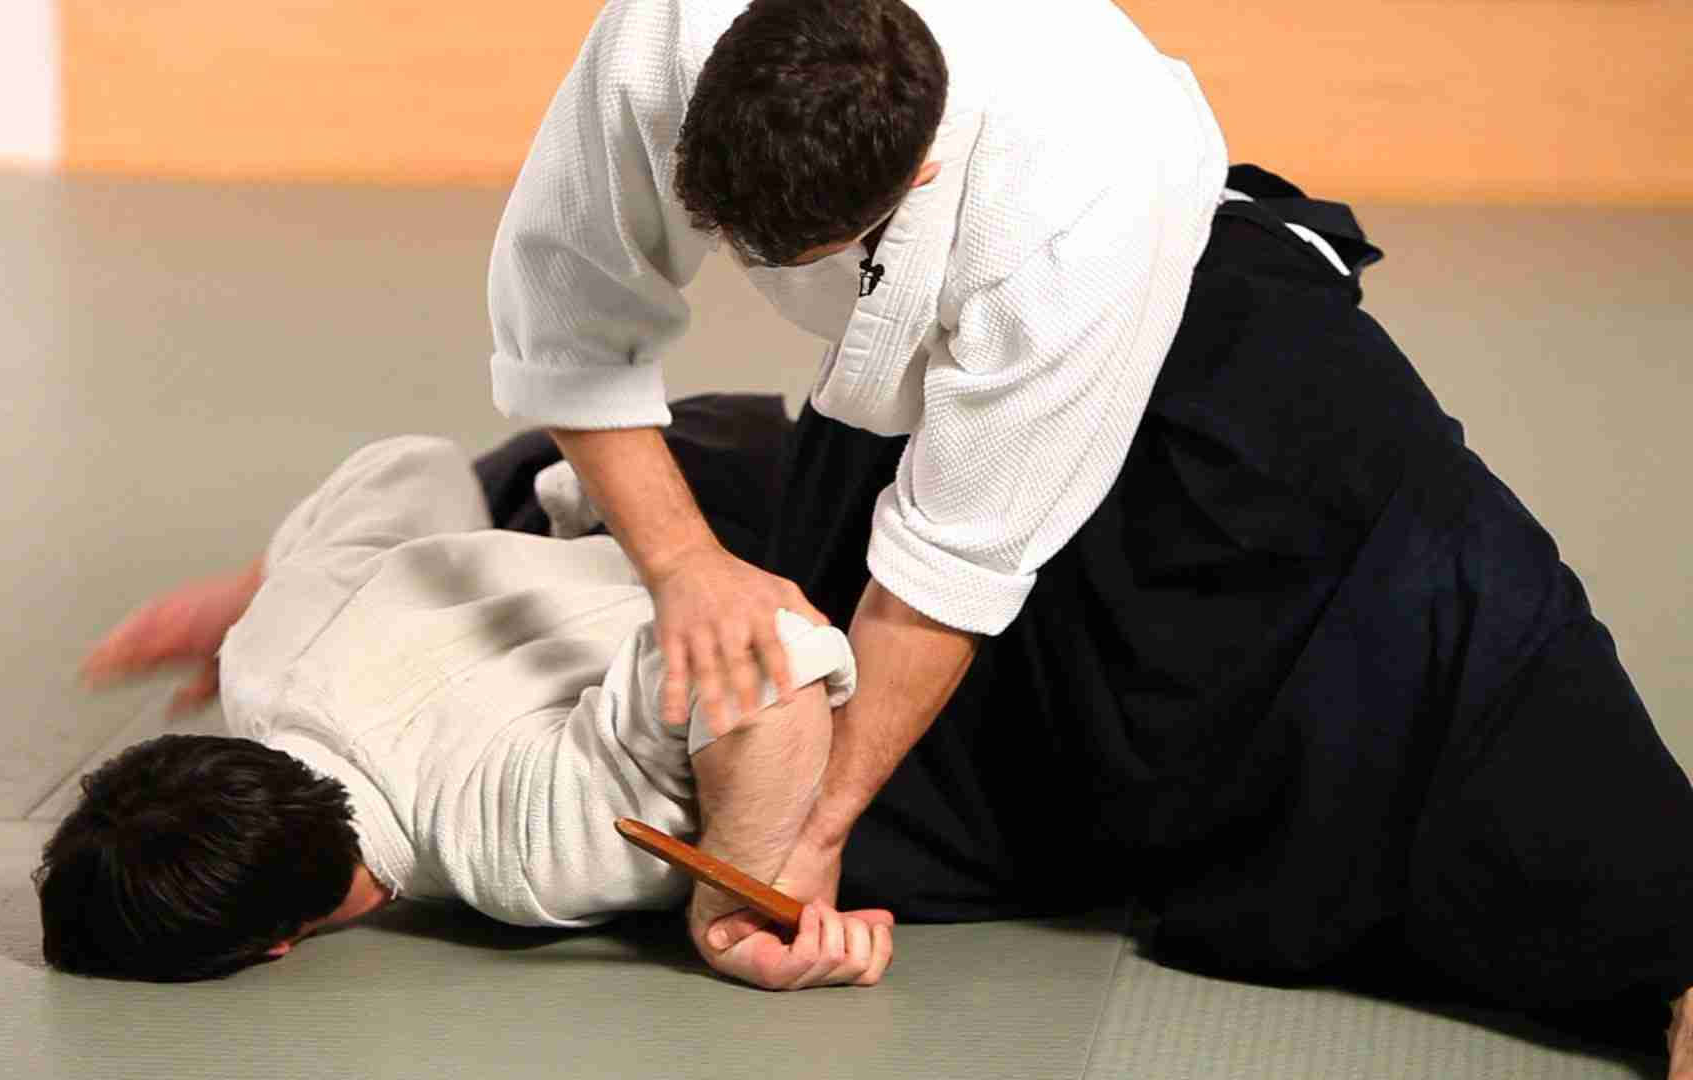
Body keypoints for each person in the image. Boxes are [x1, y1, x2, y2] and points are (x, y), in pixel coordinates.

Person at [481, 0, 1693, 1067]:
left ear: (915, 177)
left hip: (1225, 374)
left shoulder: (1084, 169)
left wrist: (819, 829)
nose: (745, 268)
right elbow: (568, 310)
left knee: (1452, 647)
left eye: (785, 256)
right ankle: (679, 478)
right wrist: (686, 566)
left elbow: (950, 567)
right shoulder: (662, 35)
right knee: (819, 793)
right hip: (914, 398)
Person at [47, 398, 896, 990]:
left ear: (277, 945)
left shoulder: (518, 852)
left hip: (812, 553)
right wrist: (250, 593)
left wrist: (734, 904)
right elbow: (410, 466)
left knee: (848, 825)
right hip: (682, 462)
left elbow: (776, 652)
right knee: (518, 479)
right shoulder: (261, 654)